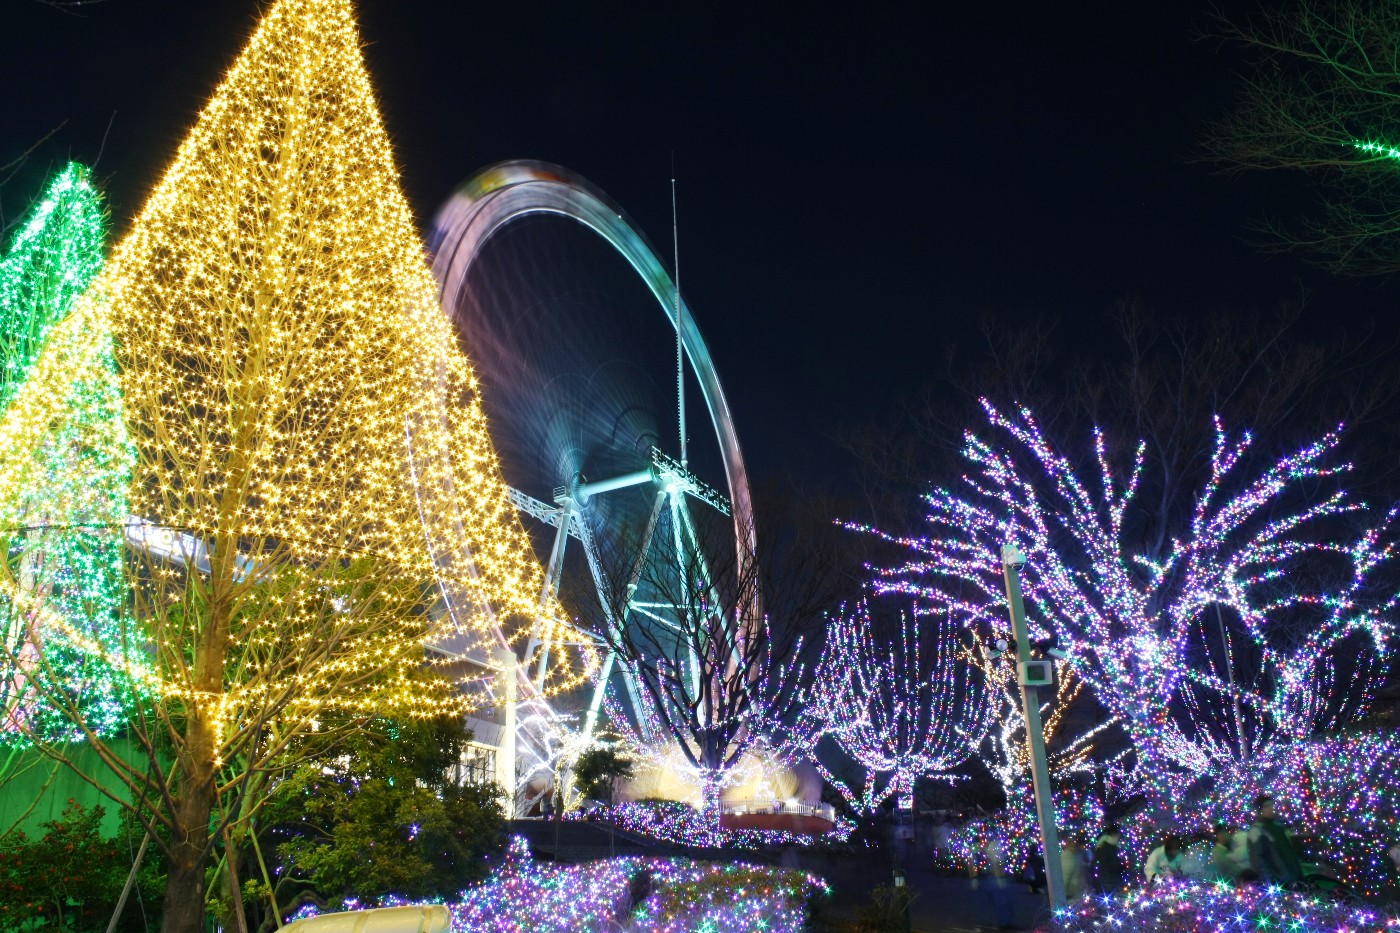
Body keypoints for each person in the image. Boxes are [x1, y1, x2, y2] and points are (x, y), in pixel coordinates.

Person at [1248, 794, 1303, 885]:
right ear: (1259, 810)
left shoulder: (1278, 827)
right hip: (1281, 883)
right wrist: (1272, 882)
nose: (1271, 808)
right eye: (1267, 806)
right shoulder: (1256, 832)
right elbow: (1259, 862)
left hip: (1294, 877)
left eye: (1272, 805)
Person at [1093, 824, 1127, 894]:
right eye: (1118, 834)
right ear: (1114, 834)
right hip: (1109, 880)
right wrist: (1122, 866)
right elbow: (1111, 865)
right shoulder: (1108, 847)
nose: (1119, 837)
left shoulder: (1104, 845)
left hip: (1108, 879)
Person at [1061, 837, 1089, 901]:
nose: (1074, 846)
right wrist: (1065, 893)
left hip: (1078, 889)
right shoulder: (1067, 858)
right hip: (1072, 892)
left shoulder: (1076, 855)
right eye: (1071, 845)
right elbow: (1065, 876)